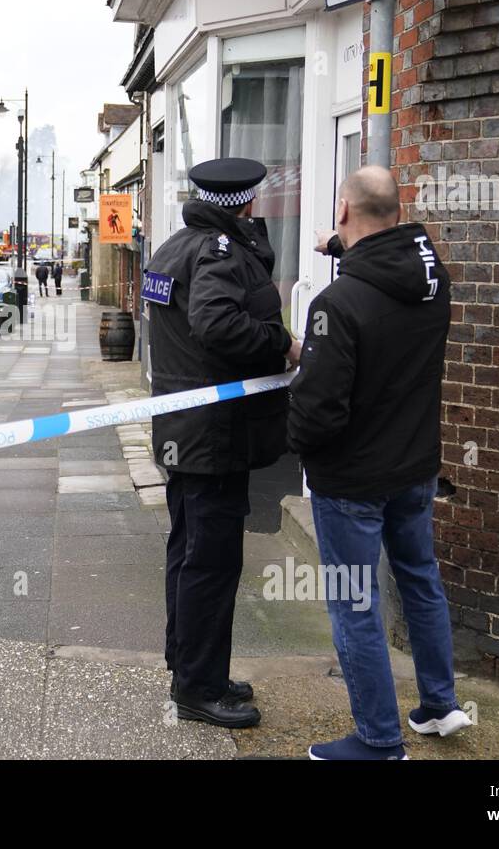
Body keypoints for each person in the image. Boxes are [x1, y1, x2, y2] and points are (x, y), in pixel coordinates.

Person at [289, 165, 471, 760]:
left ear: (343, 211)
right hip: (415, 468)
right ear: (397, 211)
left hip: (352, 483)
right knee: (420, 582)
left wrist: (297, 445)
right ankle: (440, 706)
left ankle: (377, 741)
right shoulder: (432, 280)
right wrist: (344, 246)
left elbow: (318, 412)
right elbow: (382, 268)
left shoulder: (336, 304)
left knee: (355, 606)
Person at [146, 157, 301, 729]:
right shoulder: (217, 252)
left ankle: (191, 666)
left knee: (188, 553)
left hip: (186, 429)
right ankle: (198, 688)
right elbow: (216, 325)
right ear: (247, 201)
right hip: (212, 434)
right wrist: (282, 344)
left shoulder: (174, 247)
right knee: (210, 562)